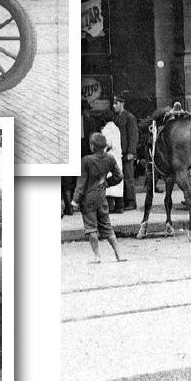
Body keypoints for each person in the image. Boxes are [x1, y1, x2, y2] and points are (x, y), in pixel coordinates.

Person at [74, 132, 126, 263]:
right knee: (107, 226)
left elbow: (81, 183)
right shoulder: (110, 159)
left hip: (88, 199)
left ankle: (97, 256)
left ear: (92, 146)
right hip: (102, 196)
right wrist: (107, 183)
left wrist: (75, 201)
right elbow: (119, 176)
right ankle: (119, 254)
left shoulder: (86, 161)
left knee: (91, 228)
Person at [112, 93, 139, 212]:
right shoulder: (116, 117)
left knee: (128, 178)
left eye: (116, 103)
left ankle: (131, 202)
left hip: (127, 153)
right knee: (122, 177)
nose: (114, 106)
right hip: (120, 153)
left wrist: (131, 152)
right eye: (114, 103)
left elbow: (133, 136)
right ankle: (123, 201)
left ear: (122, 103)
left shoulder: (129, 117)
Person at [100, 109, 124, 214]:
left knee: (109, 182)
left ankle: (110, 207)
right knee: (118, 183)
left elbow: (107, 143)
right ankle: (119, 206)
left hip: (109, 157)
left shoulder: (105, 130)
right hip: (117, 157)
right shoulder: (116, 128)